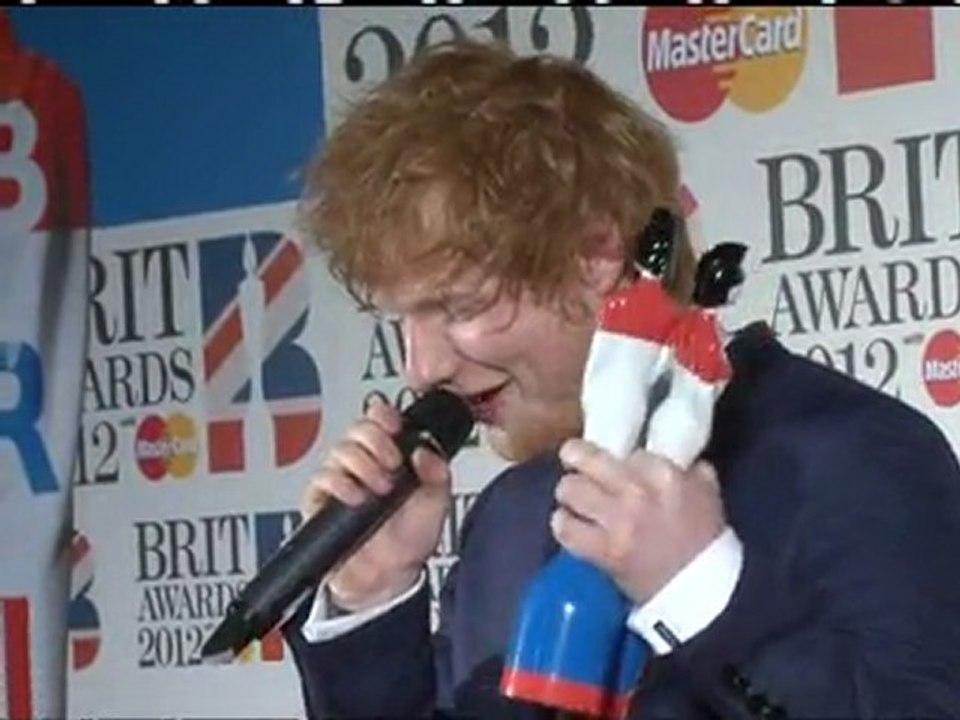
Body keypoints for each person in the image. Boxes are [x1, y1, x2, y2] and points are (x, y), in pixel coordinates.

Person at [281, 38, 960, 719]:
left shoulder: (855, 456)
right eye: (400, 320)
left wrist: (704, 590)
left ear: (596, 256)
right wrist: (370, 598)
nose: (422, 367)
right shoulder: (510, 519)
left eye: (459, 306)